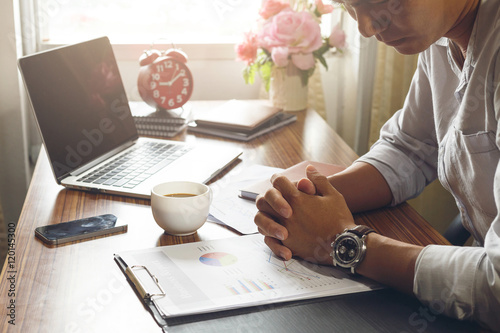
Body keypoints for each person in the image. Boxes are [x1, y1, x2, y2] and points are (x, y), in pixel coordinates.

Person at [254, 0, 500, 330]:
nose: (366, 29)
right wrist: (304, 204)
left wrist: (345, 242)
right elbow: (410, 148)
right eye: (350, 6)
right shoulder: (442, 35)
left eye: (387, 2)